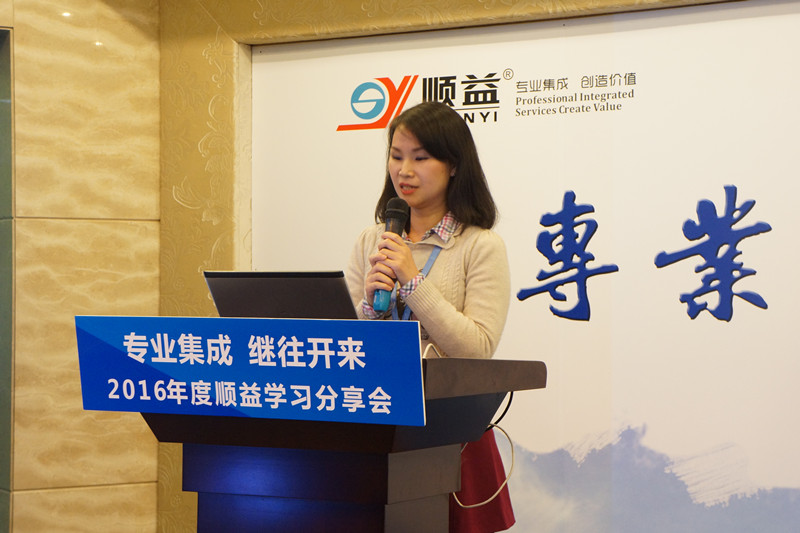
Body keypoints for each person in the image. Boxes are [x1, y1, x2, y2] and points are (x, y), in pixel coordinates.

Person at [345, 101, 514, 533]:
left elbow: (476, 349)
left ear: (453, 165)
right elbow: (346, 348)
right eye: (396, 156)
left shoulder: (481, 246)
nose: (404, 171)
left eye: (420, 158)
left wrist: (413, 281)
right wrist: (369, 308)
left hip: (450, 432)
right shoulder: (371, 240)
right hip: (376, 419)